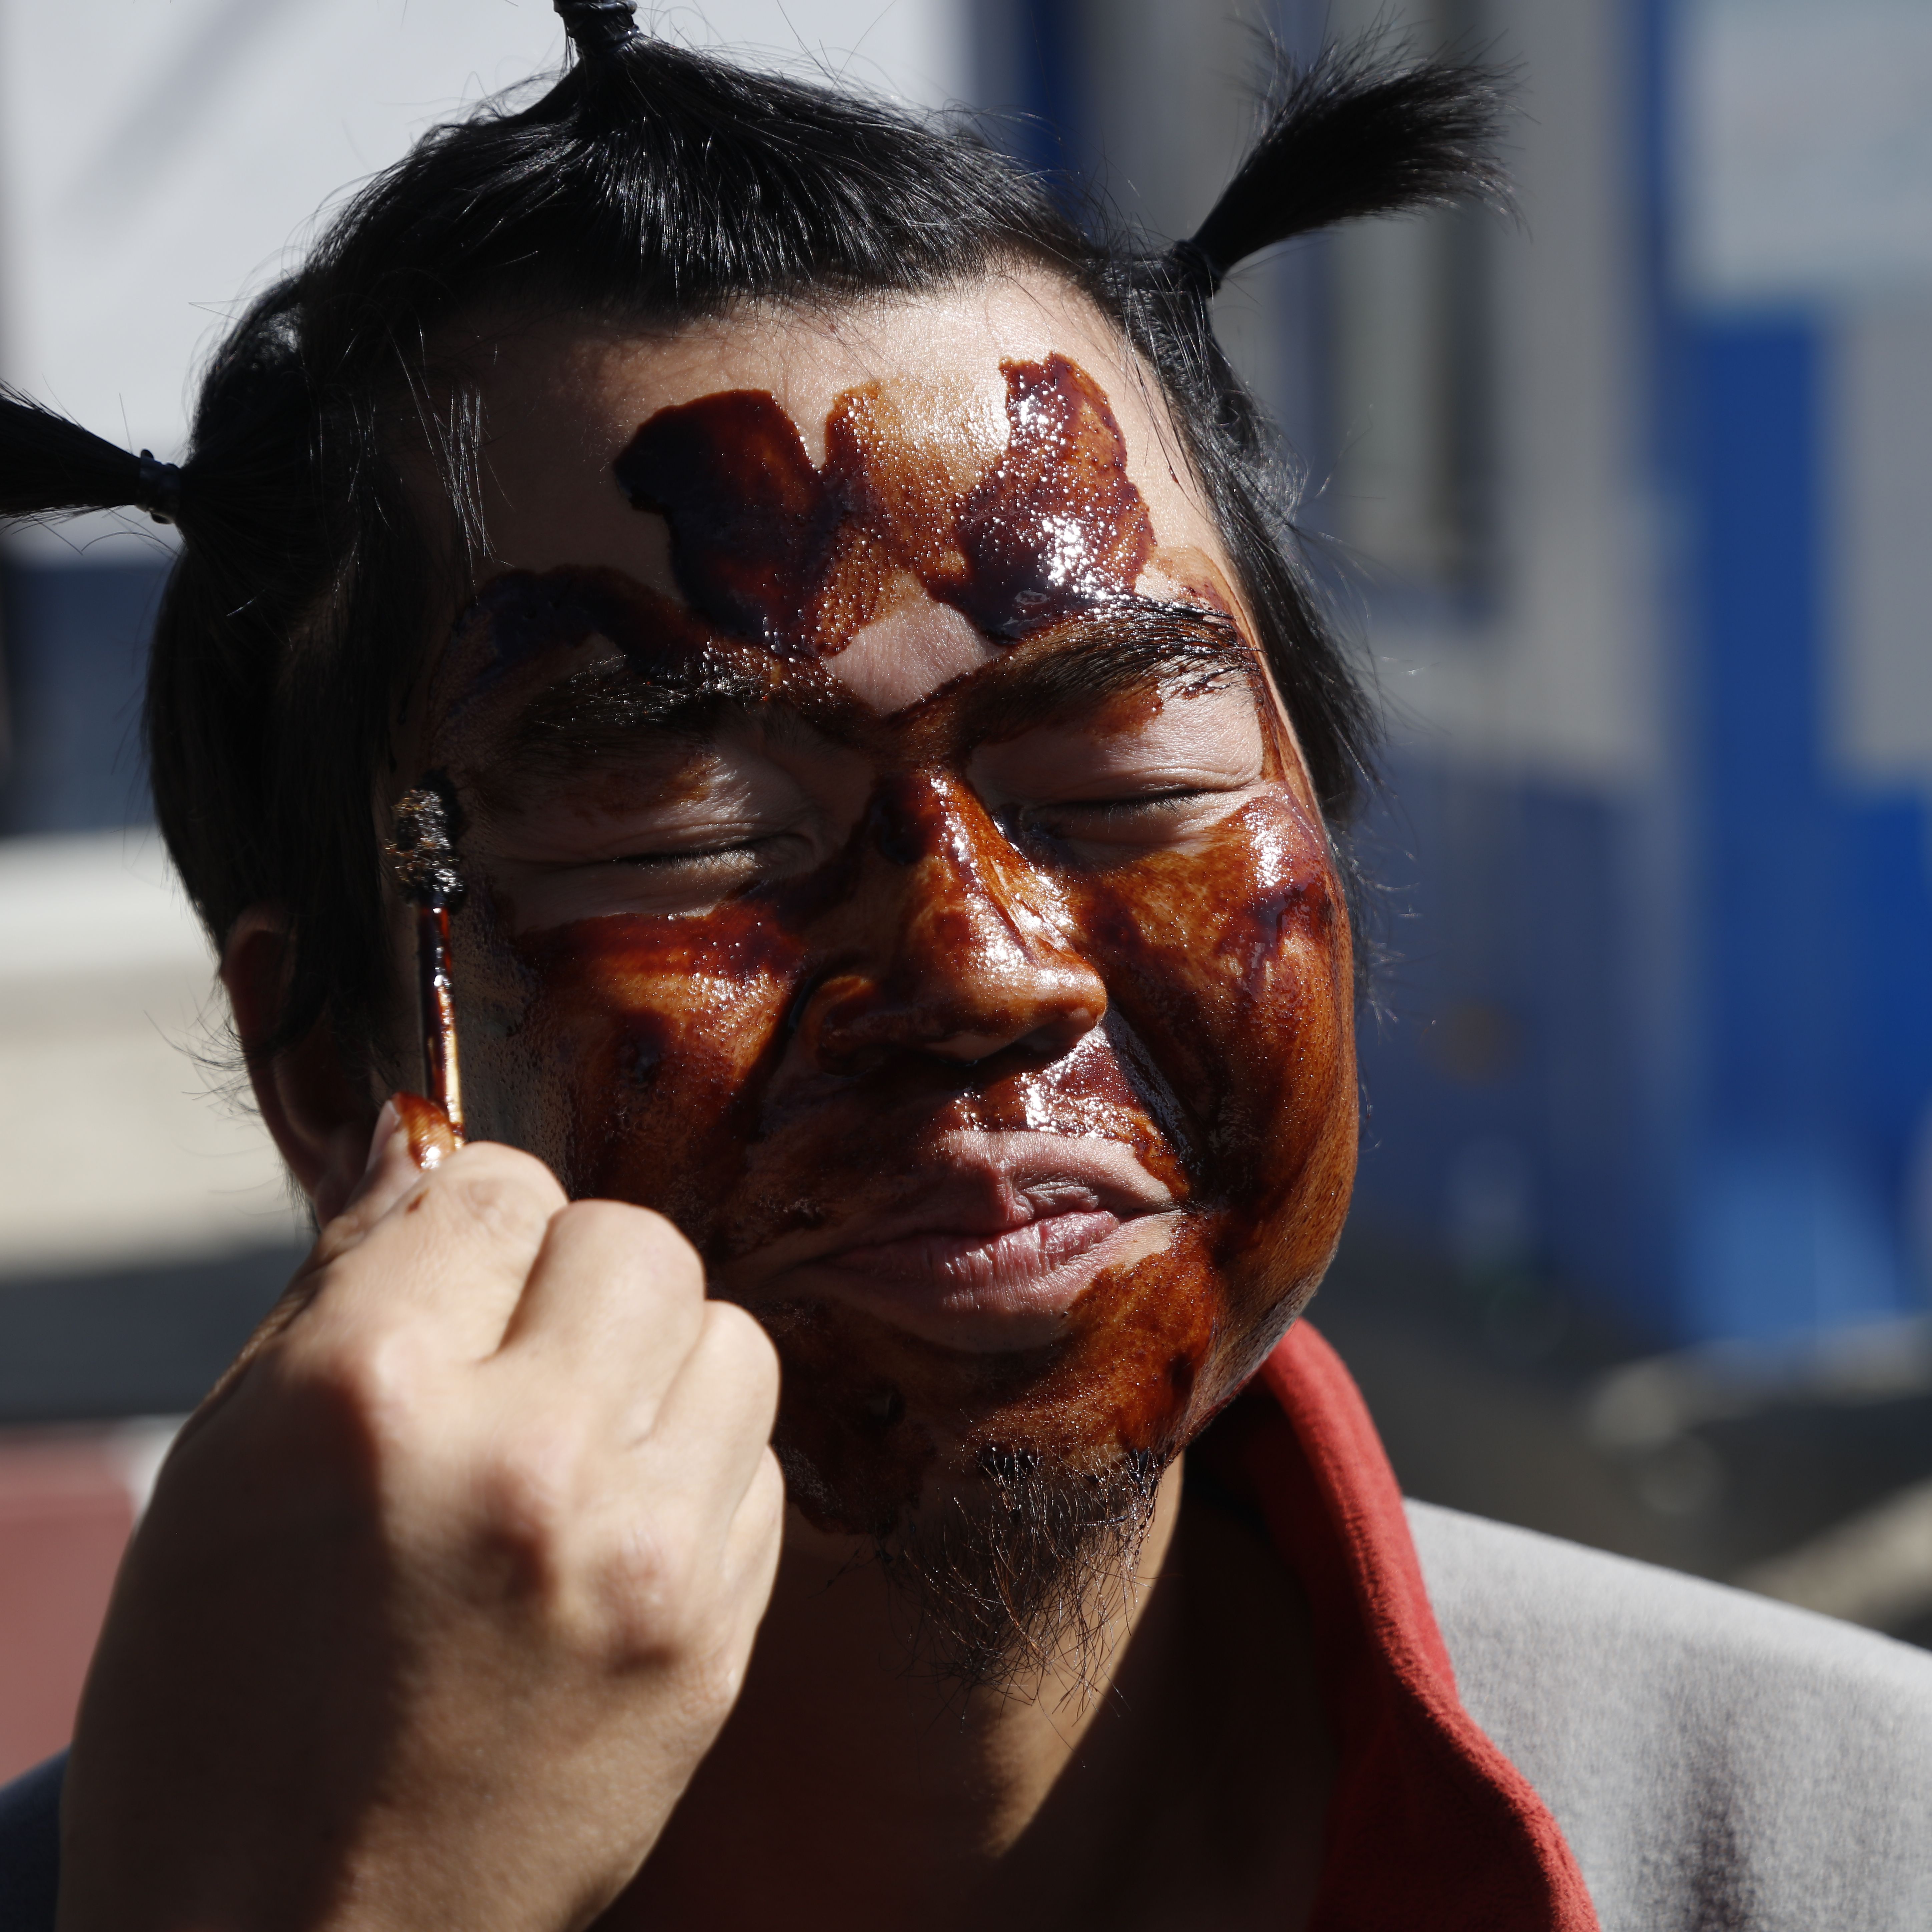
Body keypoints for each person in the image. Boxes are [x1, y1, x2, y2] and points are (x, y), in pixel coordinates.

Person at [2, 6, 1929, 1928]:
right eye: (694, 837)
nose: (987, 972)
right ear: (332, 1067)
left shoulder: (1848, 1848)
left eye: (1124, 783)